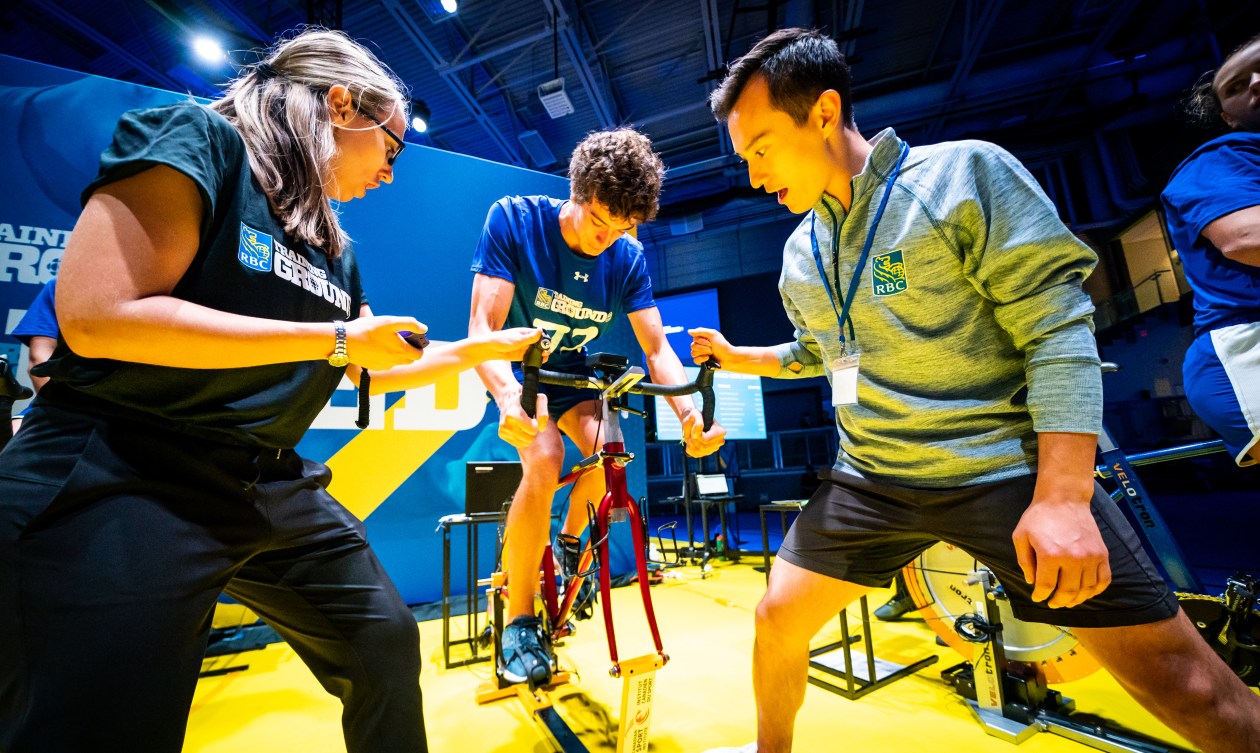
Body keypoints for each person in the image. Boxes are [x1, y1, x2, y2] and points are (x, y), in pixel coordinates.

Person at [691, 28, 1260, 753]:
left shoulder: (962, 176)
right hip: (872, 480)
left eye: (762, 147)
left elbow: (1056, 326)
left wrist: (1062, 496)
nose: (753, 174)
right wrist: (739, 357)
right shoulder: (802, 253)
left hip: (1001, 469)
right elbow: (818, 353)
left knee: (1192, 689)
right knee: (776, 618)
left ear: (825, 112)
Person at [0, 29, 541, 753]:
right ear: (342, 104)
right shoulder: (198, 140)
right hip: (124, 463)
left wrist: (479, 349)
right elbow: (99, 315)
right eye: (392, 148)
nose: (389, 173)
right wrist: (339, 339)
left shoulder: (333, 248)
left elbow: (370, 367)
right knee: (110, 718)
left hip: (261, 478)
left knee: (382, 637)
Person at [468, 128, 727, 687]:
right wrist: (508, 395)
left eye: (623, 229)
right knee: (543, 455)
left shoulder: (627, 257)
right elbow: (482, 330)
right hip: (521, 369)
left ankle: (562, 545)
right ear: (576, 196)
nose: (608, 240)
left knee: (610, 454)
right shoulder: (514, 220)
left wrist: (689, 420)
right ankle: (519, 623)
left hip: (571, 370)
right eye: (599, 224)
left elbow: (658, 349)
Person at [1162, 33, 1260, 468]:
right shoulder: (1221, 159)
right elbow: (1247, 240)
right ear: (1227, 117)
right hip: (1246, 344)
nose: (1254, 83)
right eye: (1236, 86)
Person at [8, 277, 58, 435]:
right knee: (10, 441)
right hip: (63, 406)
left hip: (130, 415)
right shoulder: (61, 286)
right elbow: (39, 361)